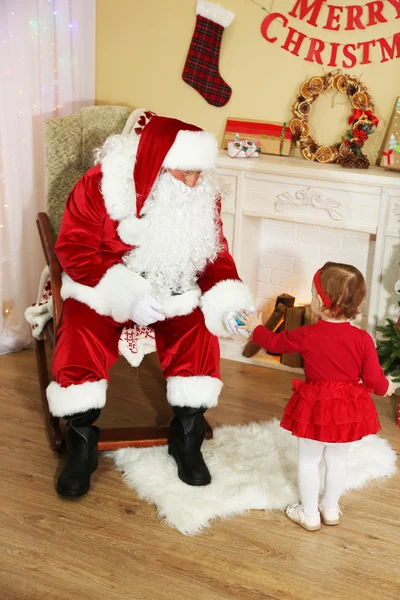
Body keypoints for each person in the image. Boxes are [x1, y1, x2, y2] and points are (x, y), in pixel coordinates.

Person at [47, 115, 253, 497]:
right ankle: (81, 443)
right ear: (154, 166)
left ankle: (187, 438)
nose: (193, 183)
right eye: (183, 174)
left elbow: (215, 256)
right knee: (80, 331)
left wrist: (228, 302)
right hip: (104, 284)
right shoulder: (99, 185)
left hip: (174, 288)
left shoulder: (204, 193)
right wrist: (124, 295)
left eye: (199, 173)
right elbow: (74, 251)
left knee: (198, 330)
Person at [237, 261, 395, 532]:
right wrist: (387, 387)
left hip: (315, 406)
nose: (310, 297)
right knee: (337, 461)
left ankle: (309, 513)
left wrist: (256, 327)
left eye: (312, 293)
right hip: (347, 409)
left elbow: (274, 343)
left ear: (323, 302)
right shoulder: (363, 339)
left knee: (309, 460)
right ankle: (330, 508)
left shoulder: (308, 334)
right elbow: (373, 379)